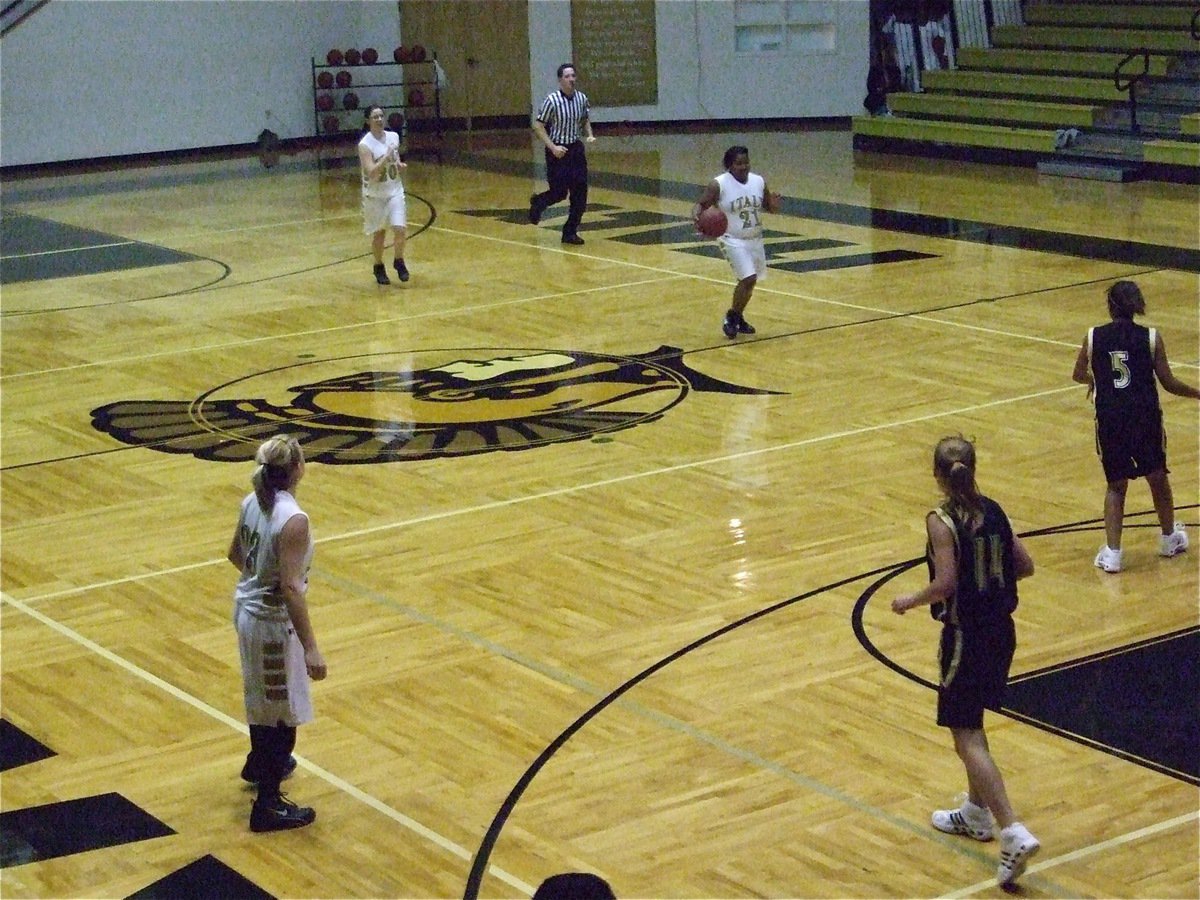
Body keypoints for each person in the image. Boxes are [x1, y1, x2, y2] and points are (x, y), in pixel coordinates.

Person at [891, 435, 1040, 889]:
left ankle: (1011, 829)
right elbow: (1025, 565)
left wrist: (909, 600)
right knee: (974, 720)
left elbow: (946, 583)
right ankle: (976, 815)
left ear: (937, 473)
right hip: (1002, 632)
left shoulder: (942, 520)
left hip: (966, 637)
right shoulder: (994, 509)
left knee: (966, 736)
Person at [227, 435, 327, 832]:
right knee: (283, 715)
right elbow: (290, 589)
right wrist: (312, 649)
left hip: (247, 610)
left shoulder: (253, 500)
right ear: (298, 469)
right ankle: (268, 804)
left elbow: (235, 555)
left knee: (262, 700)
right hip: (271, 625)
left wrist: (258, 579)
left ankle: (259, 762)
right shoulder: (293, 519)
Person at [1072, 280, 1199, 573]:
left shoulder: (1093, 337)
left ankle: (1114, 554)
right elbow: (1168, 383)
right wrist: (1197, 392)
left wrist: (1095, 380)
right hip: (1145, 418)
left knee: (1116, 486)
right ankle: (1169, 538)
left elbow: (1078, 373)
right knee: (1158, 478)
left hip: (1110, 419)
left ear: (1111, 306)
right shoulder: (1151, 337)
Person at [692, 146, 780, 339]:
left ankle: (738, 317)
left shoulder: (758, 181)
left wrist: (773, 205)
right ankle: (731, 318)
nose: (743, 166)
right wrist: (698, 220)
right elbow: (701, 205)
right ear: (729, 165)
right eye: (738, 163)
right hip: (731, 238)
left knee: (751, 281)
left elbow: (767, 206)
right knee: (747, 278)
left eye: (746, 162)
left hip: (754, 238)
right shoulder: (719, 184)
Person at [528, 63, 595, 246]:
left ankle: (570, 231)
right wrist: (552, 147)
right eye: (567, 76)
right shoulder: (552, 100)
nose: (571, 79)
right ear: (560, 80)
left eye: (573, 75)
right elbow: (538, 125)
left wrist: (589, 134)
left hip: (575, 149)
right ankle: (538, 202)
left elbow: (584, 118)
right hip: (557, 151)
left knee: (580, 193)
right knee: (559, 193)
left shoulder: (581, 98)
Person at [358, 106, 409, 285]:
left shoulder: (393, 137)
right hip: (375, 195)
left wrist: (398, 164)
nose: (379, 119)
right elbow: (371, 171)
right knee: (379, 234)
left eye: (381, 116)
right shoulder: (365, 144)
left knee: (400, 228)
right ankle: (378, 266)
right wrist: (385, 158)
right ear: (368, 121)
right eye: (375, 117)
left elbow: (395, 159)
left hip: (394, 189)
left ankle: (399, 261)